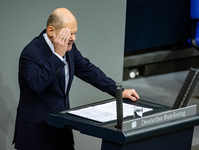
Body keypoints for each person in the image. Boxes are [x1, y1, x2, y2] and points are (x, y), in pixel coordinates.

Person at [13, 8, 139, 150]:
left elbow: (88, 70)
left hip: (61, 129)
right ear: (51, 31)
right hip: (36, 134)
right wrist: (57, 56)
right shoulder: (30, 53)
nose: (73, 38)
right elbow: (37, 84)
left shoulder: (69, 48)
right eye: (69, 33)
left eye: (75, 33)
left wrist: (118, 91)